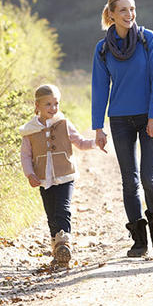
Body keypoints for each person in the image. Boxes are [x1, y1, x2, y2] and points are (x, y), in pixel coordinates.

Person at [92, 0, 153, 257]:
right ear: (111, 14)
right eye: (123, 10)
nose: (129, 15)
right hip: (120, 120)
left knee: (149, 178)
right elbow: (100, 88)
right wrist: (98, 127)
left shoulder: (148, 40)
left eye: (133, 9)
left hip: (149, 116)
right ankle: (139, 241)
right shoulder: (103, 49)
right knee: (130, 181)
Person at [20, 84, 105, 267]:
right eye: (48, 104)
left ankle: (64, 243)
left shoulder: (64, 124)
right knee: (51, 214)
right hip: (43, 178)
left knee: (63, 209)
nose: (53, 108)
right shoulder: (30, 130)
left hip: (65, 175)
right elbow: (26, 155)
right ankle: (57, 250)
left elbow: (80, 142)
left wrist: (96, 143)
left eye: (56, 104)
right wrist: (30, 174)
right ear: (37, 106)